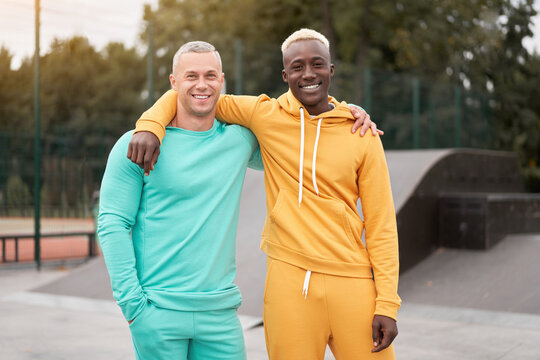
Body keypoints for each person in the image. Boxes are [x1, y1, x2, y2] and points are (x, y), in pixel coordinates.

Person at [129, 29, 399, 359]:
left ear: (331, 70)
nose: (308, 74)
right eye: (297, 67)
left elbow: (382, 224)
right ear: (285, 75)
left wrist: (387, 302)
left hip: (353, 282)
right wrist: (150, 125)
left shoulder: (362, 134)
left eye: (317, 64)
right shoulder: (264, 114)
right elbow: (197, 94)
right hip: (289, 281)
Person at [97, 41, 265, 360]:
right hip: (157, 313)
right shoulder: (135, 146)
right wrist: (134, 308)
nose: (201, 84)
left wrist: (344, 112)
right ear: (174, 83)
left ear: (222, 80)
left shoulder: (240, 140)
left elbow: (293, 132)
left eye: (210, 75)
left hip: (221, 314)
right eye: (191, 76)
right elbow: (112, 224)